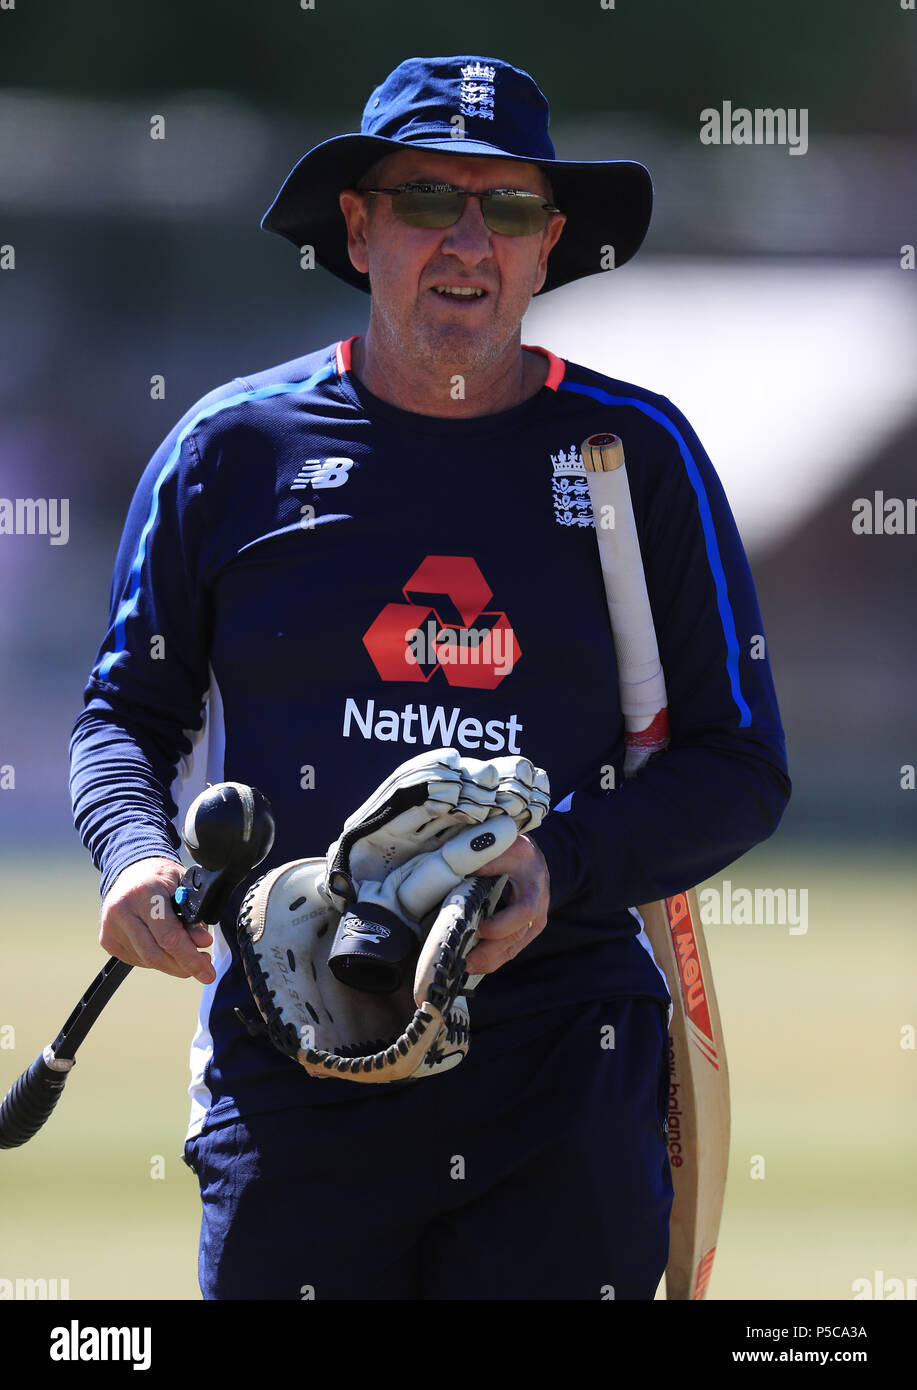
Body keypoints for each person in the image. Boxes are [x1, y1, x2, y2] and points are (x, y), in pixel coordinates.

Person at [69, 55, 790, 1300]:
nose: (468, 241)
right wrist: (135, 855)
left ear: (548, 241)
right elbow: (125, 716)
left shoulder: (637, 454)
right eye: (424, 202)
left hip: (562, 1047)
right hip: (299, 1037)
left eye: (505, 208)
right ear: (357, 227)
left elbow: (738, 766)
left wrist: (550, 866)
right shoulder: (229, 449)